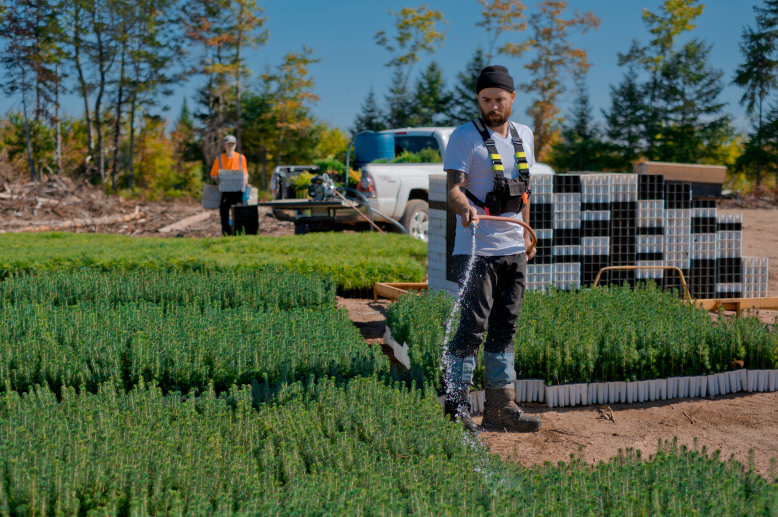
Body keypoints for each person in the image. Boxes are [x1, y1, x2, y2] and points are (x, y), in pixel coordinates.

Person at [443, 65, 541, 433]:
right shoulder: (464, 137)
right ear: (478, 100)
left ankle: (501, 408)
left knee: (505, 329)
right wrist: (463, 208)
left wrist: (528, 234)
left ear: (512, 98)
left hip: (513, 248)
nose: (493, 106)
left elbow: (523, 189)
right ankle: (456, 407)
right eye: (486, 100)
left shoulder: (525, 135)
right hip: (476, 249)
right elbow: (453, 188)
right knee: (471, 329)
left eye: (499, 99)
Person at [210, 135, 249, 236]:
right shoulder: (219, 159)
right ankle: (226, 233)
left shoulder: (241, 158)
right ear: (224, 146)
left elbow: (245, 174)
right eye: (228, 144)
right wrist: (217, 179)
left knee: (239, 212)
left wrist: (245, 181)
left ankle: (239, 232)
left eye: (232, 144)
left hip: (238, 191)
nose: (230, 146)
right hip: (226, 190)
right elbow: (213, 174)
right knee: (224, 212)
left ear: (235, 145)